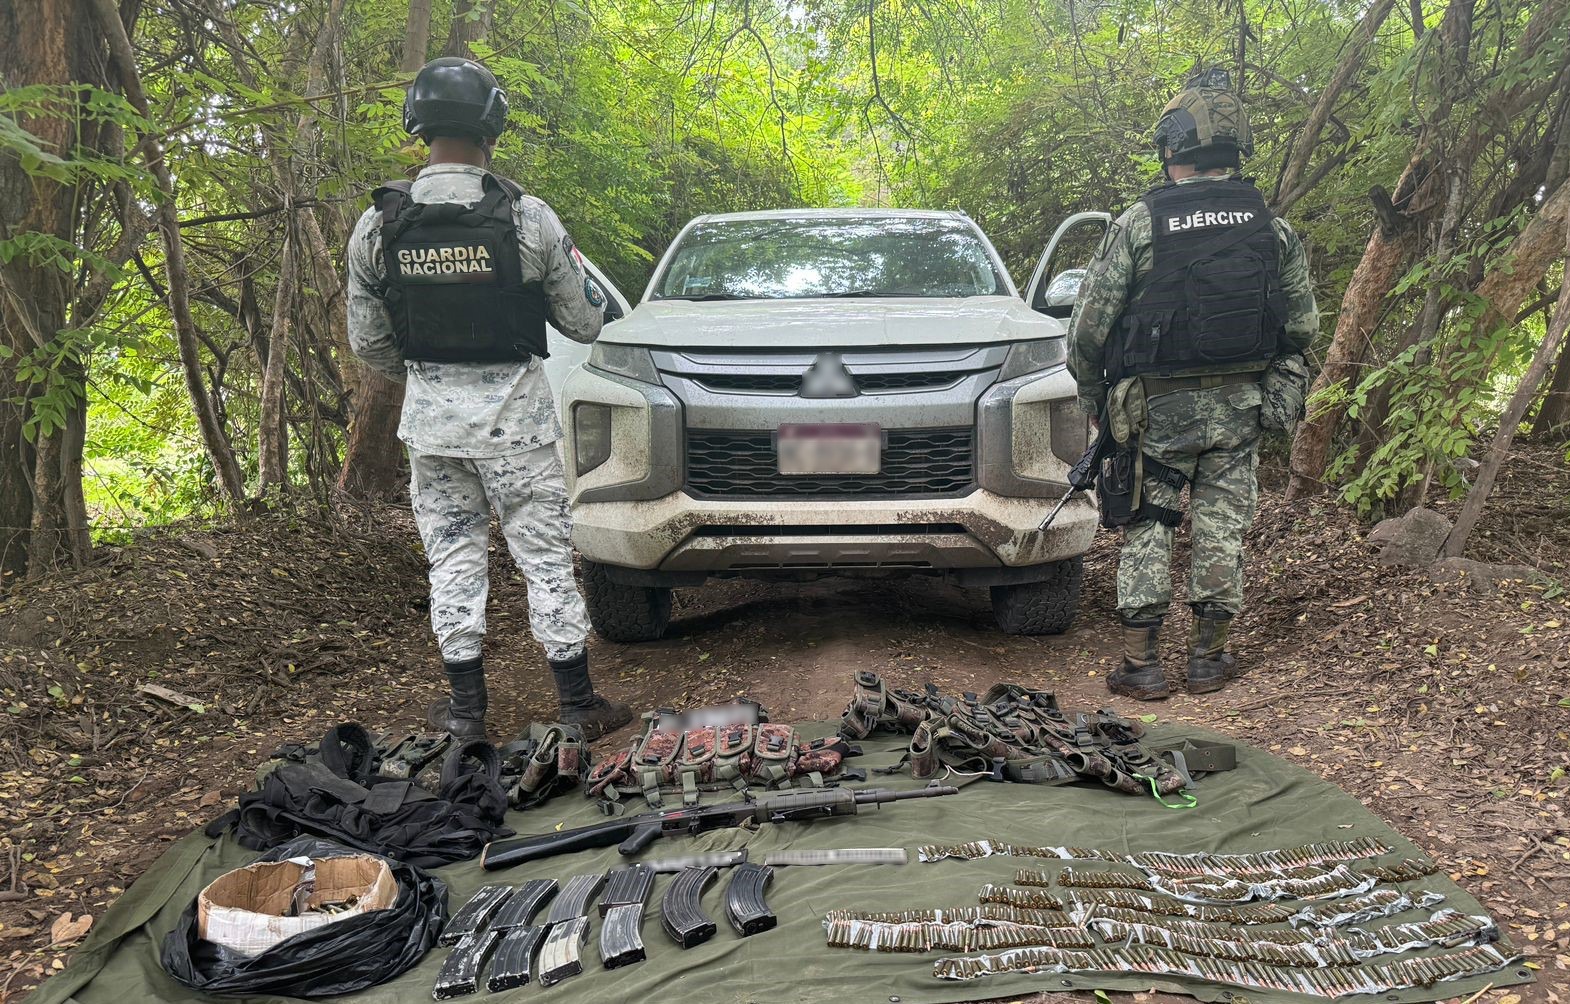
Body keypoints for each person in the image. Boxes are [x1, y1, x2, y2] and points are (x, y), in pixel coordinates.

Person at [346, 56, 631, 739]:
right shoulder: (528, 219)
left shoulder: (377, 226)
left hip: (435, 432)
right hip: (519, 429)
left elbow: (370, 345)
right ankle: (577, 704)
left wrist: (431, 373)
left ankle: (467, 713)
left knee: (453, 558)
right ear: (493, 126)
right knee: (544, 560)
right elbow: (587, 323)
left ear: (417, 125)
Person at [1066, 68, 1318, 700]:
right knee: (1222, 524)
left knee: (1150, 518)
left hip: (1156, 408)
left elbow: (1088, 330)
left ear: (1171, 148)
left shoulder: (1139, 224)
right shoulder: (1272, 227)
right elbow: (1303, 325)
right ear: (1236, 150)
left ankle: (1142, 666)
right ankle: (1209, 660)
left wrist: (1096, 401)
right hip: (1242, 406)